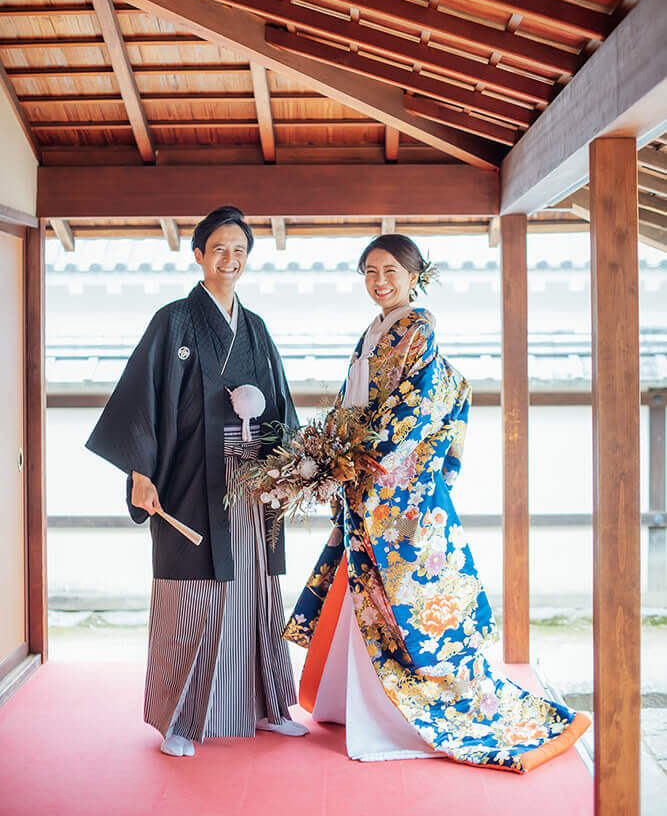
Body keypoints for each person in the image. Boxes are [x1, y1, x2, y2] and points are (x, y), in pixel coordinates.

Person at [284, 234, 590, 772]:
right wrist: (328, 448)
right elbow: (352, 400)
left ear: (413, 274)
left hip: (393, 486)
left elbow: (414, 406)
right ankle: (357, 704)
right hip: (367, 479)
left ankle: (397, 713)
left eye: (390, 272)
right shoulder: (377, 329)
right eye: (370, 272)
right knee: (368, 593)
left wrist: (361, 456)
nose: (379, 282)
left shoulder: (418, 327)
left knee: (407, 602)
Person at [86, 205, 307, 756]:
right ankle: (181, 722)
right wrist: (140, 469)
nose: (229, 260)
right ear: (199, 255)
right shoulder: (175, 321)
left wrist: (292, 467)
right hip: (189, 479)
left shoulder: (254, 328)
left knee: (255, 587)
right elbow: (144, 395)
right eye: (219, 249)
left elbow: (279, 403)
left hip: (251, 481)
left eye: (239, 251)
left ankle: (268, 705)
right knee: (192, 595)